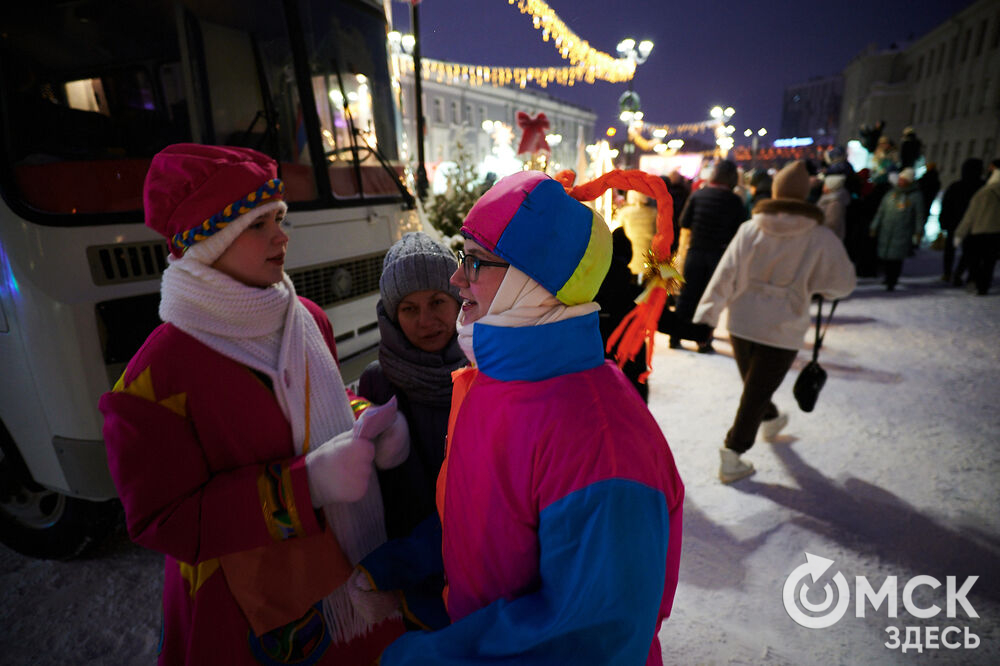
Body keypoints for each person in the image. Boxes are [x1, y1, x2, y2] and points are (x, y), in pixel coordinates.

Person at [354, 170, 685, 665]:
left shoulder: (602, 439)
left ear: (535, 278)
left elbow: (591, 639)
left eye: (475, 260)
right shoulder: (492, 383)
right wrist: (396, 568)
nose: (456, 277)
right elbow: (482, 524)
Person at [98, 144, 408, 664]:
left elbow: (313, 409)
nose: (282, 236)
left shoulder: (309, 317)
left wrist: (363, 423)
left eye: (279, 218)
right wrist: (304, 487)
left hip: (341, 582)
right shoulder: (154, 379)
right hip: (246, 613)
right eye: (258, 225)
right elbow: (163, 519)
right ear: (206, 244)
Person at [693, 161, 856, 483]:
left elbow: (724, 275)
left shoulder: (750, 229)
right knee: (756, 390)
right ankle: (732, 453)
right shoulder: (819, 237)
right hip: (783, 326)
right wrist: (814, 286)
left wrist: (707, 317)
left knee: (755, 387)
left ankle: (769, 420)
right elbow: (843, 284)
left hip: (741, 320)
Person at [358, 232, 466, 540]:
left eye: (436, 302)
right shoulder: (377, 382)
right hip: (399, 556)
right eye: (409, 308)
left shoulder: (484, 370)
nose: (425, 320)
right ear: (393, 316)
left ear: (458, 301)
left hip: (475, 547)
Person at [672, 159, 747, 351]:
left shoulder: (698, 195)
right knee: (710, 299)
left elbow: (684, 222)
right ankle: (703, 340)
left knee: (687, 296)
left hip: (695, 252)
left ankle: (676, 336)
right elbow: (741, 230)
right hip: (719, 256)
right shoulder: (734, 201)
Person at [595, 226, 648, 401]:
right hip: (629, 358)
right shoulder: (632, 291)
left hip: (595, 354)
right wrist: (697, 331)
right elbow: (664, 319)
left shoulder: (590, 284)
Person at [869, 167, 924, 291]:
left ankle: (892, 279)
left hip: (902, 231)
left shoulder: (915, 196)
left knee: (896, 258)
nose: (900, 181)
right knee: (886, 256)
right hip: (887, 230)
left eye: (904, 179)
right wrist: (874, 226)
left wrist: (918, 232)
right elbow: (881, 211)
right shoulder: (891, 193)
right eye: (900, 179)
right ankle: (887, 277)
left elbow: (919, 216)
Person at [954, 166, 1000, 295]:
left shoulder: (983, 193)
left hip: (979, 232)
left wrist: (960, 233)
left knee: (974, 260)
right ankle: (983, 286)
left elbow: (970, 215)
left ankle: (976, 283)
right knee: (989, 263)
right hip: (997, 234)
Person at [939, 158, 984, 283]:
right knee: (967, 251)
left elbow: (946, 205)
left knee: (952, 250)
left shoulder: (956, 186)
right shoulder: (981, 187)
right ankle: (957, 272)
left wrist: (943, 221)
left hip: (955, 223)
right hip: (971, 224)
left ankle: (949, 273)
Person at [616, 189, 658, 276]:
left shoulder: (624, 213)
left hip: (630, 256)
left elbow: (618, 232)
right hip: (649, 256)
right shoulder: (654, 213)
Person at [817, 173, 849, 241]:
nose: (823, 186)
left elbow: (831, 223)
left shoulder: (835, 203)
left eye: (825, 184)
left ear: (831, 186)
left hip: (828, 237)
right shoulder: (827, 198)